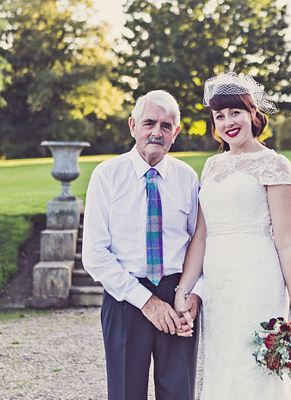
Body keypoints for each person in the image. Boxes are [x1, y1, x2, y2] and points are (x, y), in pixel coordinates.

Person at [174, 72, 291, 399]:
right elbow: (201, 237)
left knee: (254, 369)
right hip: (218, 286)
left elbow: (287, 240)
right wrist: (184, 289)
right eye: (219, 116)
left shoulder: (274, 164)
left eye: (235, 112)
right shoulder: (212, 167)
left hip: (258, 280)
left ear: (252, 114)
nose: (228, 122)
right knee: (221, 367)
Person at [82, 90, 202, 400]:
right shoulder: (106, 176)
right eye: (149, 123)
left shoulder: (187, 178)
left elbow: (200, 245)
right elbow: (94, 254)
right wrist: (146, 302)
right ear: (133, 125)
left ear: (175, 133)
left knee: (179, 394)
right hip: (125, 300)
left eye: (166, 126)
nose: (156, 132)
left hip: (178, 298)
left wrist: (194, 296)